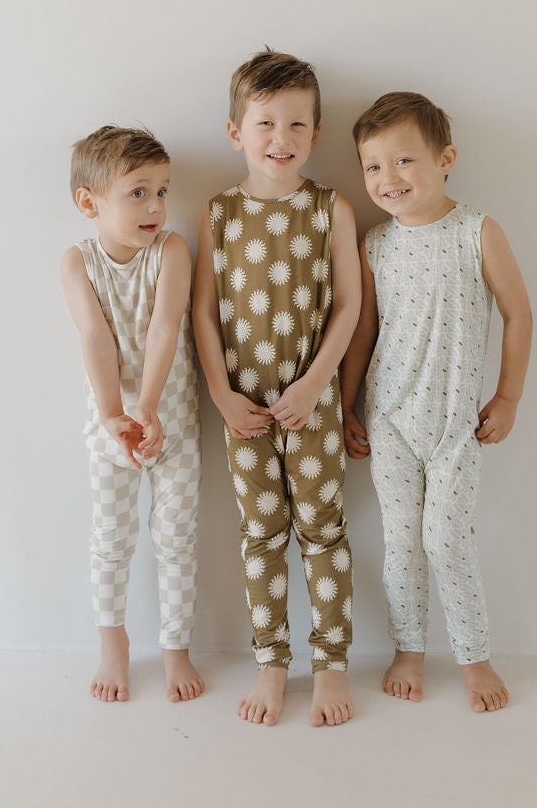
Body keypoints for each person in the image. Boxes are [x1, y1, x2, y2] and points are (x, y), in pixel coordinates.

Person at [340, 91, 532, 713]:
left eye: (403, 161)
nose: (387, 178)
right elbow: (364, 332)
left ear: (446, 158)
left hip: (455, 423)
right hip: (391, 419)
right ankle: (409, 649)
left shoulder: (477, 231)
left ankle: (474, 656)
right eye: (373, 166)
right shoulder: (376, 245)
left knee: (445, 540)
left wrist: (507, 396)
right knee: (401, 541)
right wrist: (348, 405)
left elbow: (518, 313)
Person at [192, 49, 361, 727]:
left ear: (315, 134)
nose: (280, 139)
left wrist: (316, 385)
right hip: (245, 412)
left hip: (310, 408)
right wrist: (222, 395)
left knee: (322, 531)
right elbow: (203, 312)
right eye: (265, 123)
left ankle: (332, 665)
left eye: (296, 125)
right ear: (236, 131)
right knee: (260, 533)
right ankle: (271, 661)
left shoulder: (330, 210)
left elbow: (349, 305)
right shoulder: (219, 215)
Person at [61, 125, 202, 704]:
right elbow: (95, 339)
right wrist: (116, 415)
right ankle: (113, 645)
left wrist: (147, 408)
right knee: (111, 537)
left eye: (163, 191)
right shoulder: (77, 262)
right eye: (138, 192)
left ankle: (176, 649)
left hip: (171, 419)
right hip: (110, 423)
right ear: (89, 202)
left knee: (175, 538)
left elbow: (165, 326)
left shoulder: (171, 250)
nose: (156, 206)